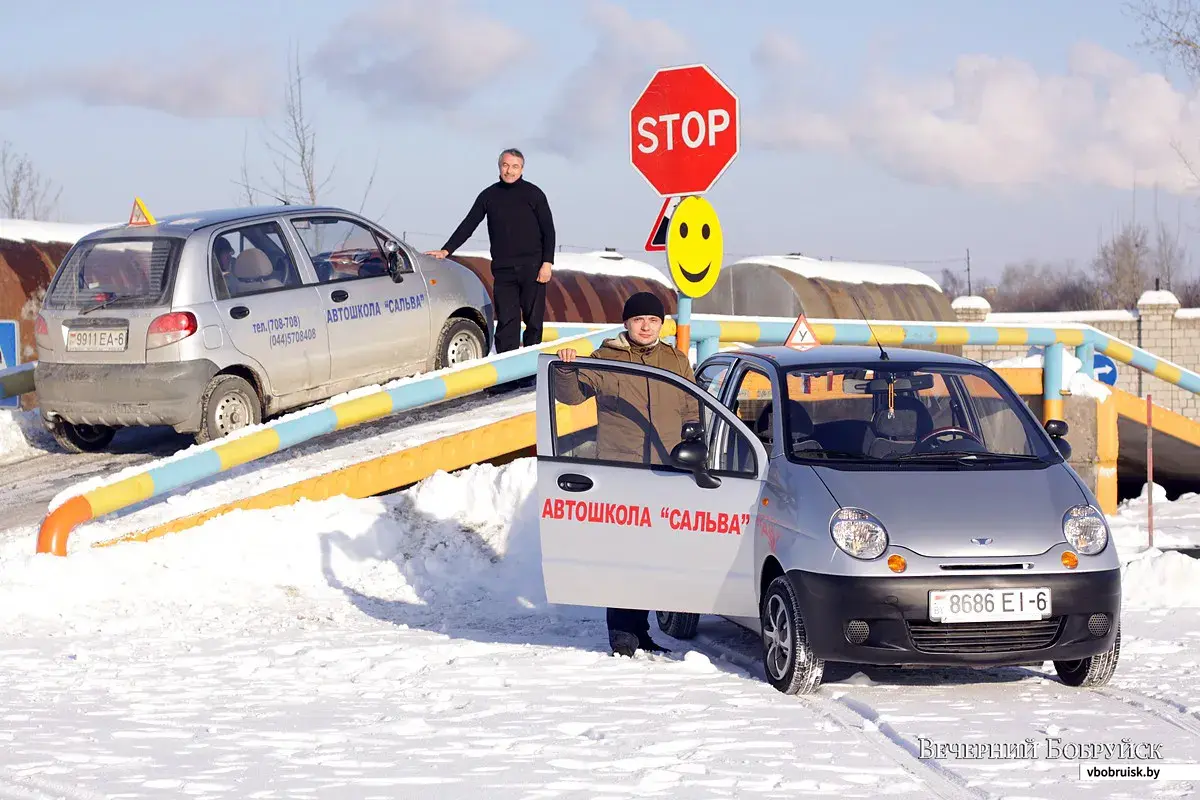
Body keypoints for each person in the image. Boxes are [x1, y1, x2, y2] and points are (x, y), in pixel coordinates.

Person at [554, 291, 701, 658]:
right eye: (639, 320)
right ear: (627, 324)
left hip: (667, 469)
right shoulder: (606, 358)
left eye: (653, 320)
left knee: (654, 556)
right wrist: (567, 370)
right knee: (623, 555)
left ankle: (641, 630)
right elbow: (572, 397)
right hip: (623, 471)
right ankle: (622, 635)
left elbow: (691, 408)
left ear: (661, 324)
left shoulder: (675, 359)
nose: (646, 326)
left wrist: (695, 448)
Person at [425, 148, 555, 361]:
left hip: (533, 269)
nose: (509, 171)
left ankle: (532, 372)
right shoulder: (489, 195)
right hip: (504, 271)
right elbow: (469, 224)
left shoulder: (534, 194)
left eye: (515, 166)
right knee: (506, 323)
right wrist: (447, 249)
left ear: (522, 169)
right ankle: (508, 375)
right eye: (506, 165)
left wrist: (547, 263)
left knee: (533, 323)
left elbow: (548, 230)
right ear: (499, 166)